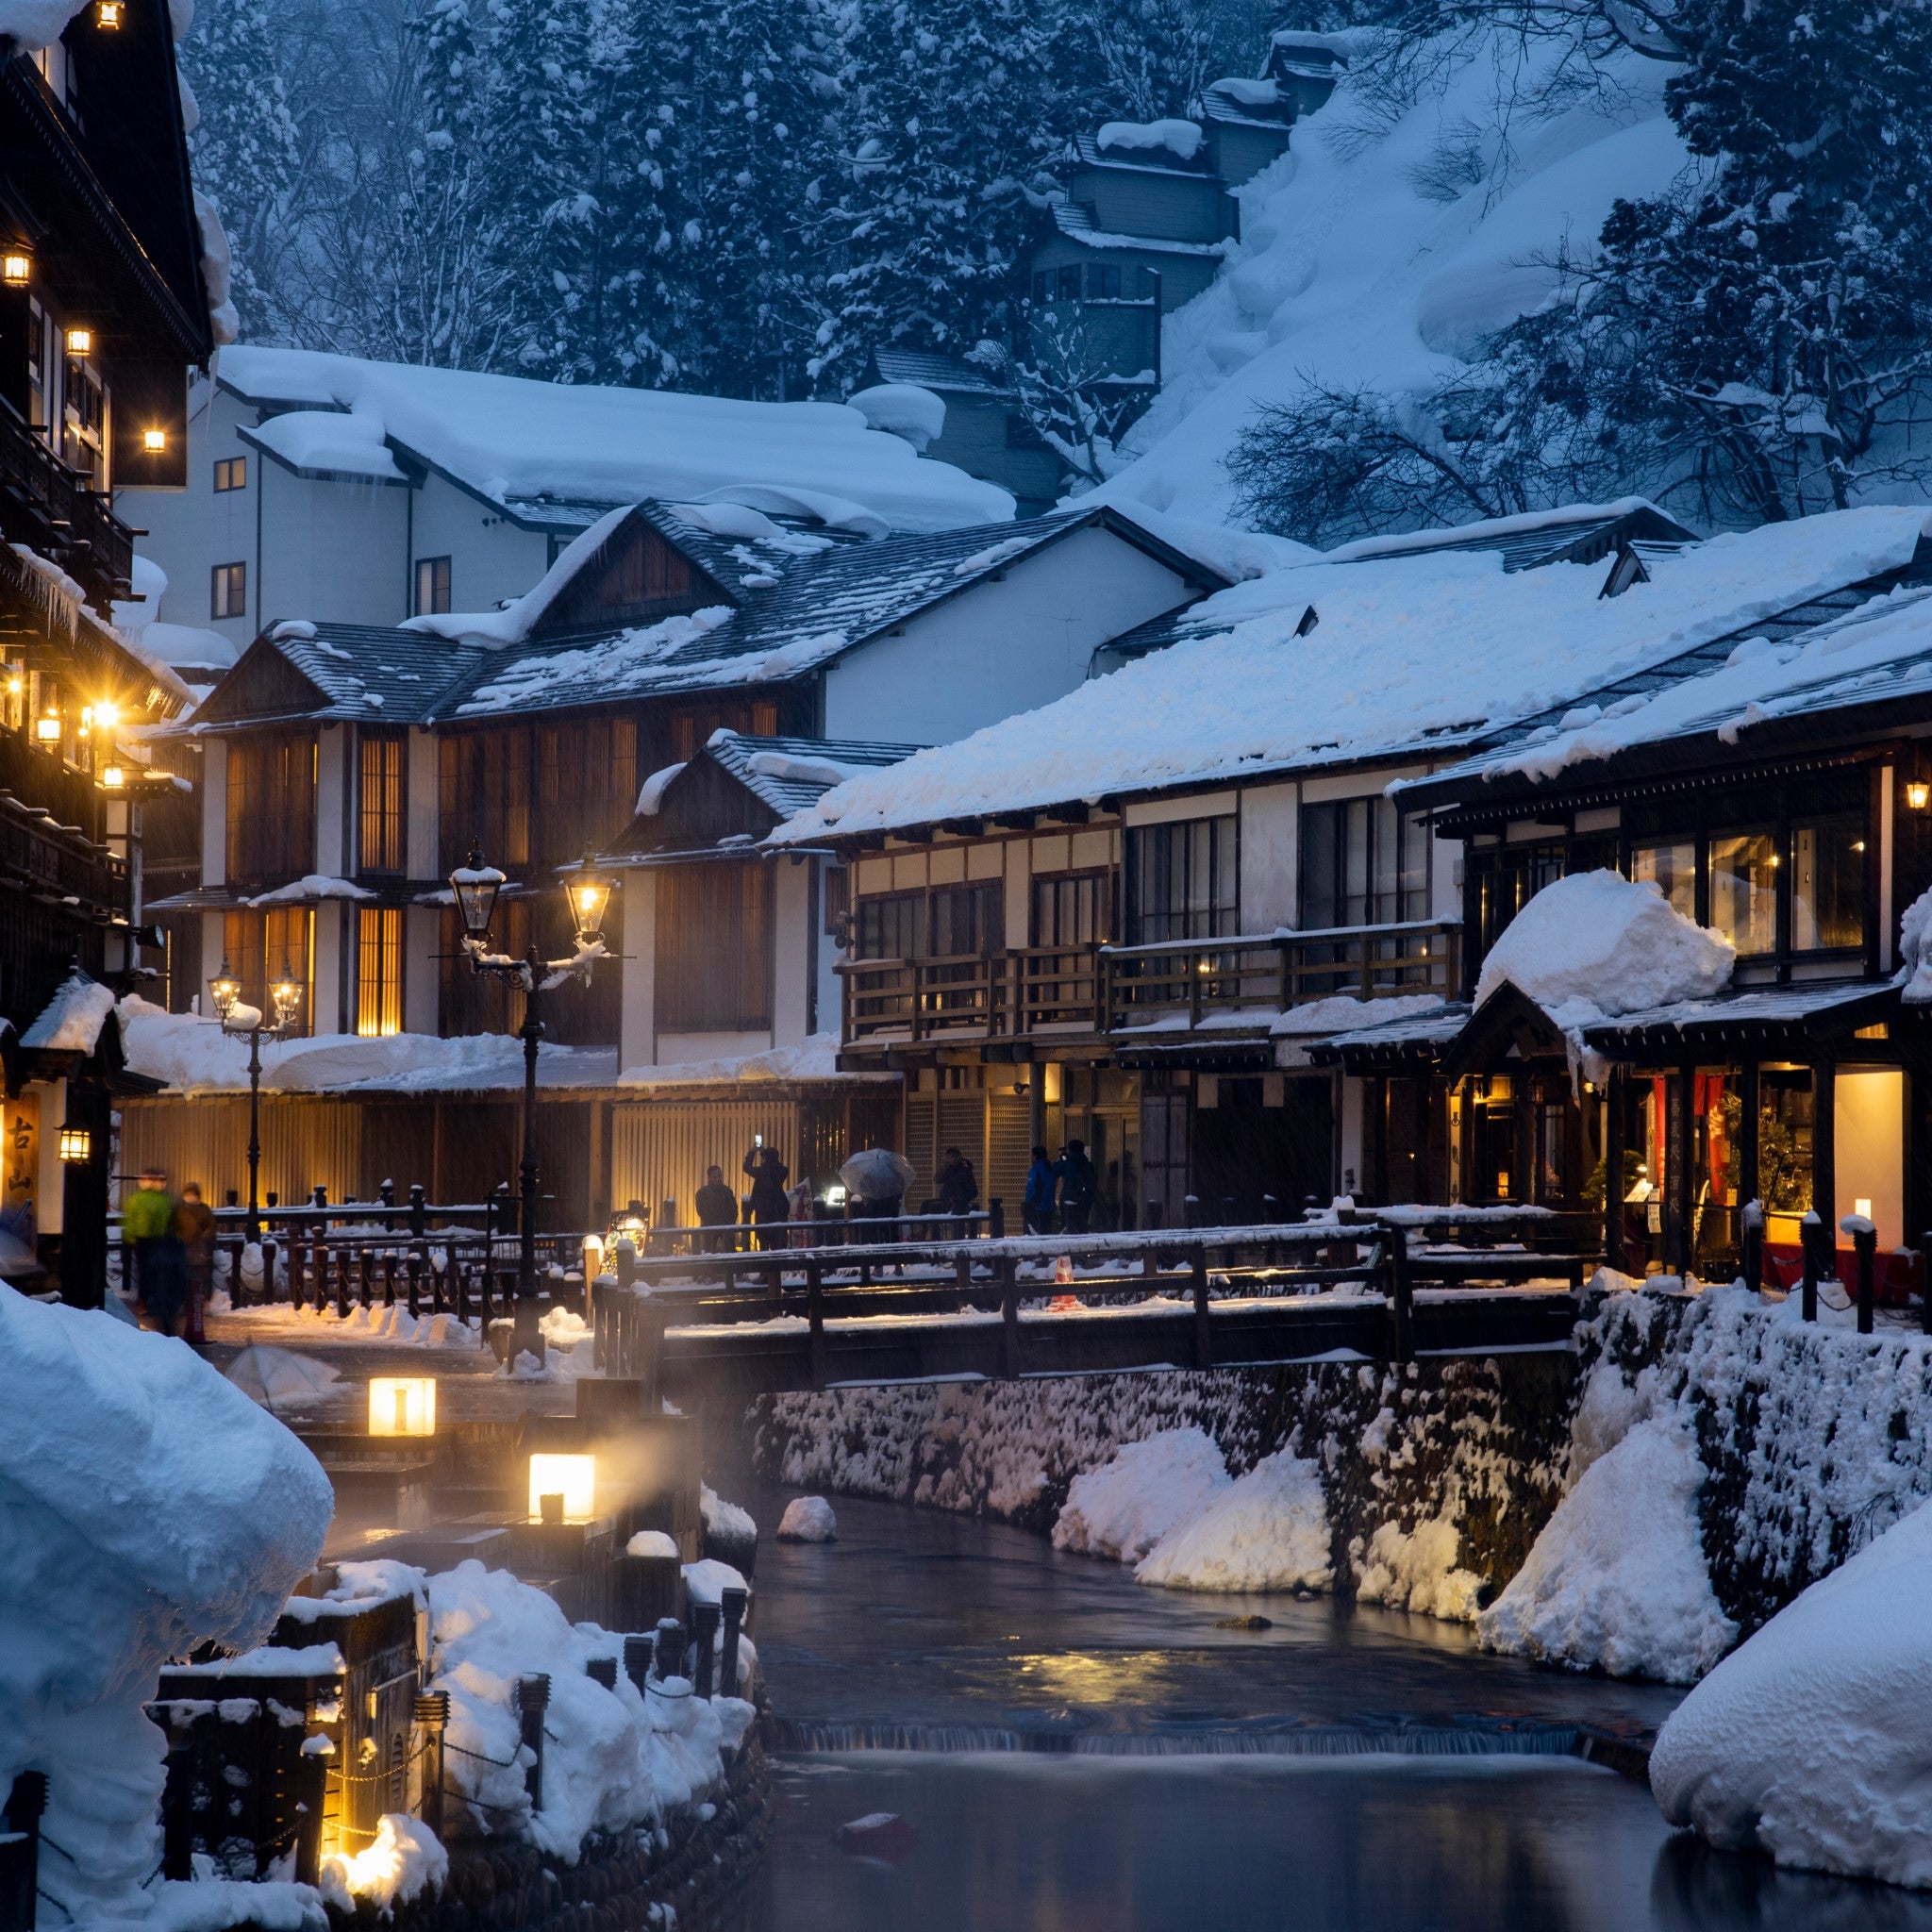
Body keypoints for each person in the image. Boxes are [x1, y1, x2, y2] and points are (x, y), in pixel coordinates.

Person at [124, 1170, 186, 1336]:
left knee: (144, 1273)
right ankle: (157, 1302)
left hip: (141, 1240)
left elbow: (131, 1220)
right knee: (157, 1274)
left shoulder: (136, 1199)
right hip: (160, 1241)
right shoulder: (166, 1200)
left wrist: (130, 1238)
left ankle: (146, 1301)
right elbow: (171, 1222)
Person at [176, 1182, 216, 1343]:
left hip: (199, 1256)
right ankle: (192, 1328)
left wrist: (202, 1239)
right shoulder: (180, 1211)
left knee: (197, 1291)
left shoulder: (203, 1210)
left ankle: (193, 1329)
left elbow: (211, 1228)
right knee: (190, 1290)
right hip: (187, 1256)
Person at [743, 1142, 791, 1249]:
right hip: (779, 1209)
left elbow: (746, 1167)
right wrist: (764, 1152)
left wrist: (752, 1151)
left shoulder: (761, 1172)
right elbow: (775, 1166)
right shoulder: (783, 1171)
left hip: (763, 1209)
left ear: (766, 1158)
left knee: (763, 1240)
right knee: (778, 1242)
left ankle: (764, 1264)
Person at [694, 1165, 739, 1254]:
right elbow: (701, 1211)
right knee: (710, 1252)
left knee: (728, 1252)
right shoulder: (702, 1193)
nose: (718, 1179)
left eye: (719, 1176)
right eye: (715, 1177)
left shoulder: (727, 1191)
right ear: (709, 1178)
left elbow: (734, 1209)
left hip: (723, 1226)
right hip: (711, 1227)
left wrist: (729, 1223)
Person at [1056, 1139, 1096, 1234]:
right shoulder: (1088, 1164)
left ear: (1070, 1149)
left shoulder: (1066, 1161)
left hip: (1068, 1197)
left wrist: (1061, 1158)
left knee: (1067, 1224)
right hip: (1084, 1198)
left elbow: (1055, 1171)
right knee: (1081, 1223)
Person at [934, 1145, 978, 1232]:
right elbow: (937, 1179)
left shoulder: (965, 1171)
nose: (950, 1160)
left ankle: (958, 1236)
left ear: (958, 1157)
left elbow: (973, 1191)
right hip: (946, 1199)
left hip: (960, 1201)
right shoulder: (947, 1169)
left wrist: (963, 1199)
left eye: (952, 1157)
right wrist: (944, 1168)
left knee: (958, 1225)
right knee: (928, 1206)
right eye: (948, 1158)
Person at [1024, 1145, 1057, 1237]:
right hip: (1050, 1207)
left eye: (1032, 1156)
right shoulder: (1050, 1169)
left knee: (1035, 1235)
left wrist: (1028, 1205)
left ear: (1035, 1156)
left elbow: (1032, 1189)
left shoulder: (1036, 1170)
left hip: (1038, 1208)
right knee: (1047, 1234)